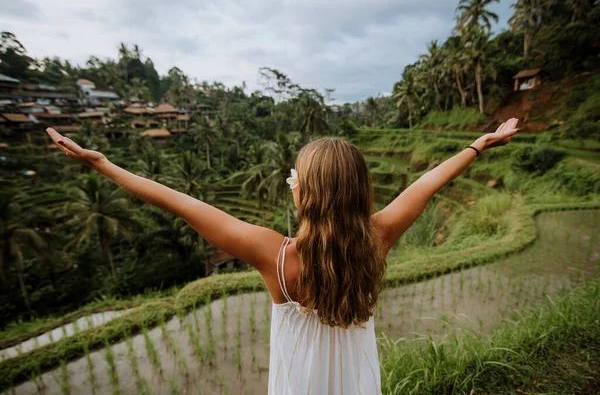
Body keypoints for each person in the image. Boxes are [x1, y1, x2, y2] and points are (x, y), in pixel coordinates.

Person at [46, 118, 519, 394]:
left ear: (303, 195)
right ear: (359, 190)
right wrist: (480, 144)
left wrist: (102, 163)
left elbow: (176, 199)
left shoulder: (273, 254)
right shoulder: (379, 235)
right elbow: (428, 183)